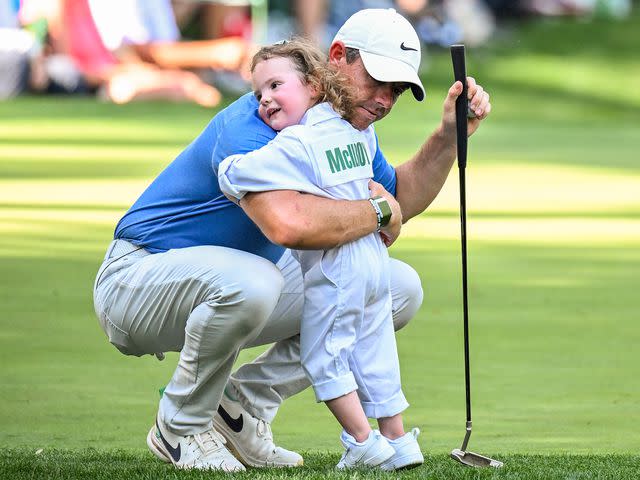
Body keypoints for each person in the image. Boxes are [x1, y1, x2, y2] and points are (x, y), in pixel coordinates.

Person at [92, 7, 491, 472]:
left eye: (396, 91)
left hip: (230, 279)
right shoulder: (259, 119)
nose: (384, 100)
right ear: (338, 56)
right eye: (377, 80)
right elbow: (289, 224)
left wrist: (447, 137)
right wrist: (382, 212)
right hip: (136, 279)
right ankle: (180, 426)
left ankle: (240, 409)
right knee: (255, 280)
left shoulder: (345, 128)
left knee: (393, 287)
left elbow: (400, 196)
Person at [218, 39, 423, 470]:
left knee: (325, 356)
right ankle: (399, 439)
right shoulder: (356, 131)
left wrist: (225, 169)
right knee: (375, 349)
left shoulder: (299, 142)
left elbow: (245, 170)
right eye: (259, 94)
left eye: (276, 86)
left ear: (313, 85)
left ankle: (363, 442)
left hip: (337, 265)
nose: (265, 100)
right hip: (374, 260)